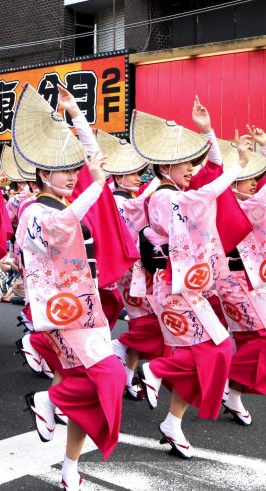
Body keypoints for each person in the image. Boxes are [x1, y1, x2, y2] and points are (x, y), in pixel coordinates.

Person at [12, 84, 123, 488]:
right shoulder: (34, 211)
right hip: (62, 312)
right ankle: (47, 400)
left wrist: (76, 114)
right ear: (44, 173)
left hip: (84, 308)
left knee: (86, 387)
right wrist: (95, 184)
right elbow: (59, 228)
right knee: (109, 376)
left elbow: (97, 164)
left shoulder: (69, 200)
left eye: (75, 171)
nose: (74, 176)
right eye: (65, 170)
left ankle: (70, 466)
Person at [135, 97, 239, 458]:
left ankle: (172, 422)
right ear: (165, 166)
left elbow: (208, 177)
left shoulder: (176, 193)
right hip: (171, 286)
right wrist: (232, 172)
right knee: (216, 348)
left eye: (190, 163)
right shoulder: (165, 197)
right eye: (183, 164)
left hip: (183, 285)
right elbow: (206, 194)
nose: (191, 169)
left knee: (214, 351)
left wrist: (207, 131)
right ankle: (156, 370)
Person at [96, 129, 161, 401]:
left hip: (137, 271)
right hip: (129, 273)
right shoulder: (121, 202)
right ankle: (118, 347)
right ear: (119, 176)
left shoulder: (123, 199)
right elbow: (141, 204)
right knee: (149, 322)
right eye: (134, 173)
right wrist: (161, 176)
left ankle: (126, 374)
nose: (139, 177)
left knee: (144, 321)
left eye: (141, 172)